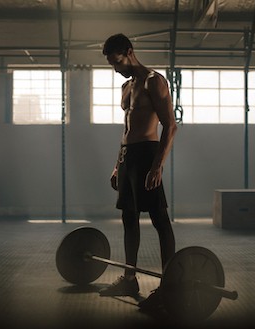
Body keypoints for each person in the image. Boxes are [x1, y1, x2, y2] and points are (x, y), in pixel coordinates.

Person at [99, 33, 177, 311]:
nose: (115, 68)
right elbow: (126, 130)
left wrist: (157, 165)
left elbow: (170, 125)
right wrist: (117, 165)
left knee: (159, 219)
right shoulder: (127, 87)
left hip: (147, 154)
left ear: (129, 52)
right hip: (128, 156)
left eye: (117, 61)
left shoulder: (154, 81)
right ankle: (130, 278)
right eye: (111, 64)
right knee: (128, 218)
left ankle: (170, 284)